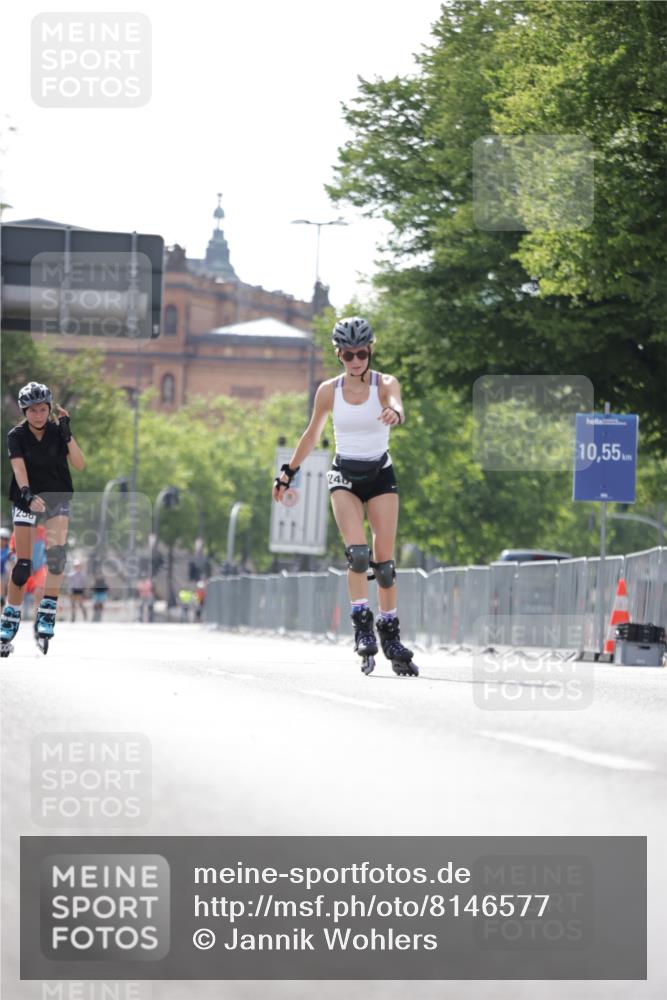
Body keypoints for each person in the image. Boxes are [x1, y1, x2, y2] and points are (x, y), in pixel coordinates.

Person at [272, 316, 417, 676]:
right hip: (344, 476)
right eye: (348, 354)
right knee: (358, 554)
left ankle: (390, 632)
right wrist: (288, 472)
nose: (355, 360)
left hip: (380, 474)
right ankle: (361, 623)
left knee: (384, 565)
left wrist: (394, 413)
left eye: (361, 353)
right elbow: (311, 434)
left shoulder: (384, 384)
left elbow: (397, 404)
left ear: (370, 350)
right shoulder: (328, 391)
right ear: (338, 354)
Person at [0, 381, 85, 651]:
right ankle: (10, 615)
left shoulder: (58, 432)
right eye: (32, 410)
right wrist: (27, 494)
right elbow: (19, 469)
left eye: (42, 409)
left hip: (57, 495)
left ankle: (47, 612)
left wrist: (67, 433)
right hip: (27, 497)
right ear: (24, 411)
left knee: (57, 558)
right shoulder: (16, 435)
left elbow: (79, 464)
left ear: (49, 409)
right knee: (23, 566)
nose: (38, 415)